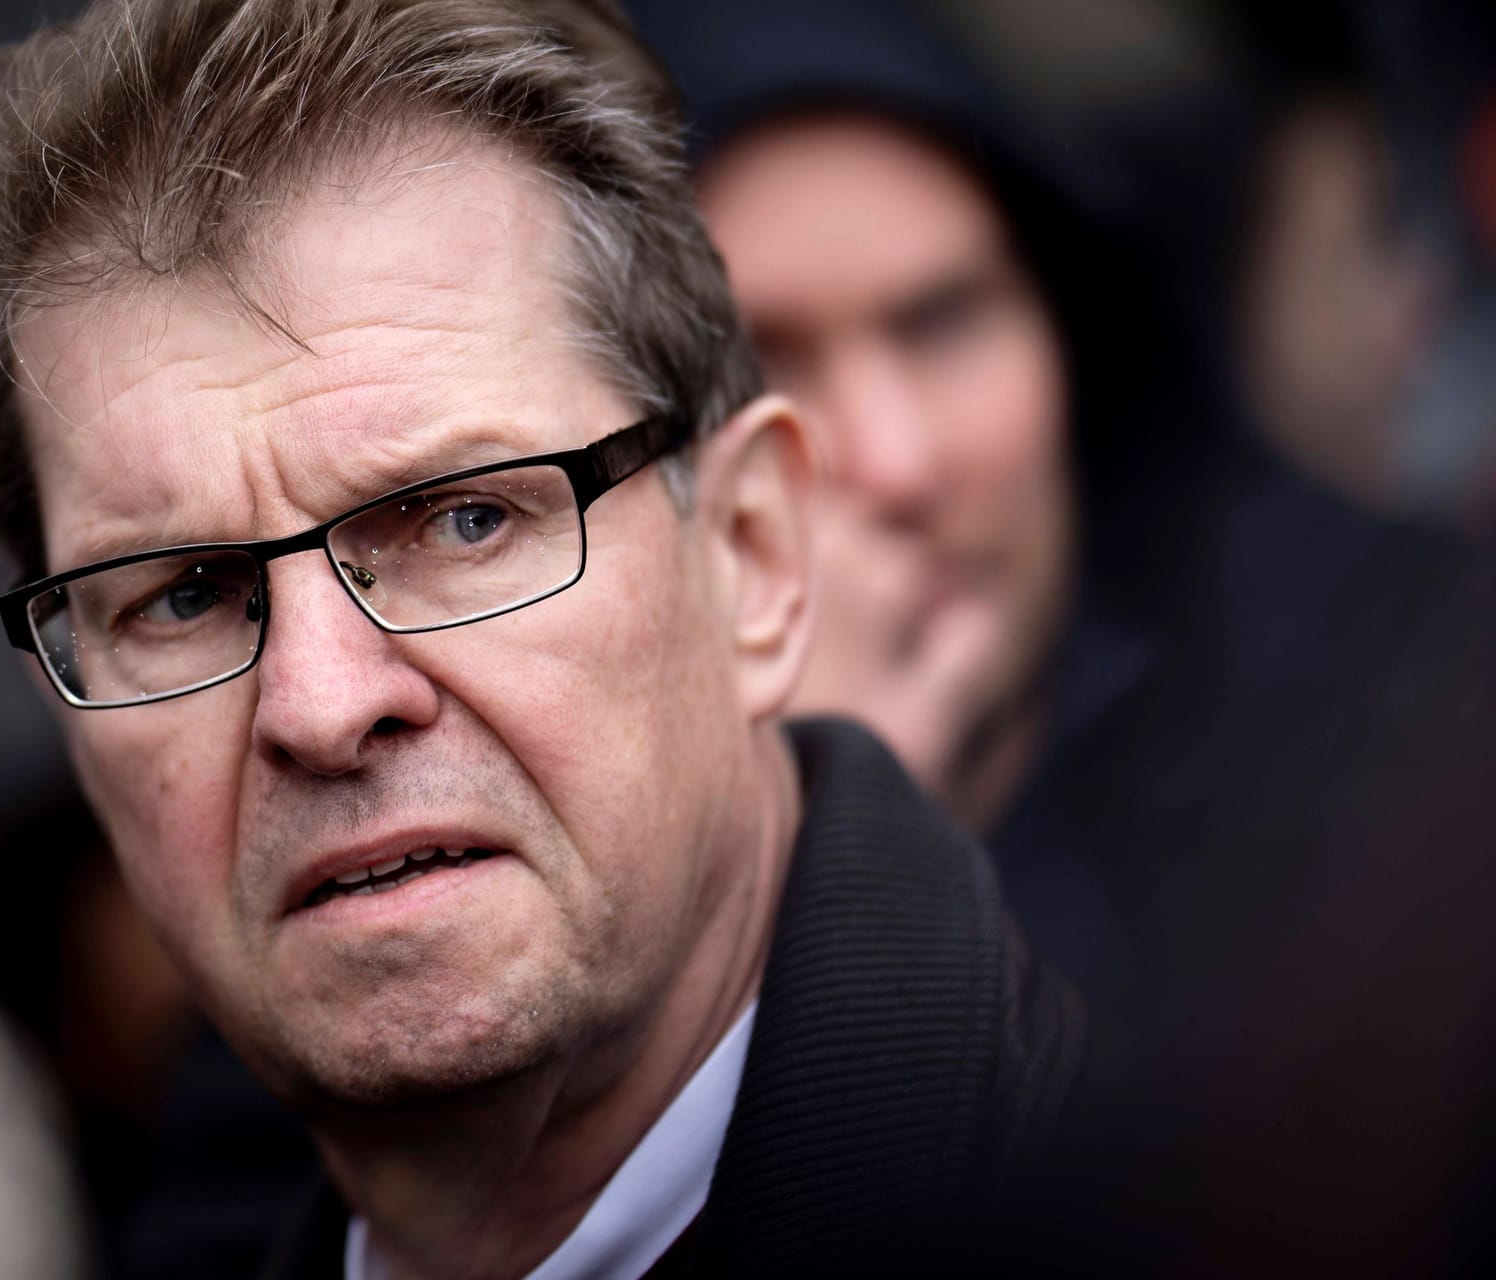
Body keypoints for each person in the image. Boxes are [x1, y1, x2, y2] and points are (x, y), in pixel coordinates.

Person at [0, 1, 1083, 1275]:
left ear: (750, 552)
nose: (321, 700)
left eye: (464, 520)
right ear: (65, 704)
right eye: (181, 595)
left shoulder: (1180, 1193)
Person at [629, 0, 1496, 1268]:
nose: (894, 459)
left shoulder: (1397, 704)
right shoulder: (517, 883)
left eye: (944, 321)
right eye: (762, 368)